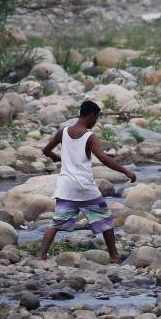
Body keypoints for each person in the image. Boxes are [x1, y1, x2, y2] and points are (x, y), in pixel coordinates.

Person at [37, 100, 136, 263]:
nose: (95, 122)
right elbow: (103, 158)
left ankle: (41, 255)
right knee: (105, 220)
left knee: (56, 223)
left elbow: (46, 150)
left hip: (66, 186)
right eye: (96, 118)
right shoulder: (89, 137)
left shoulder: (63, 132)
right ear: (91, 116)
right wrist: (126, 171)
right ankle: (114, 256)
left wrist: (56, 158)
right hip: (84, 187)